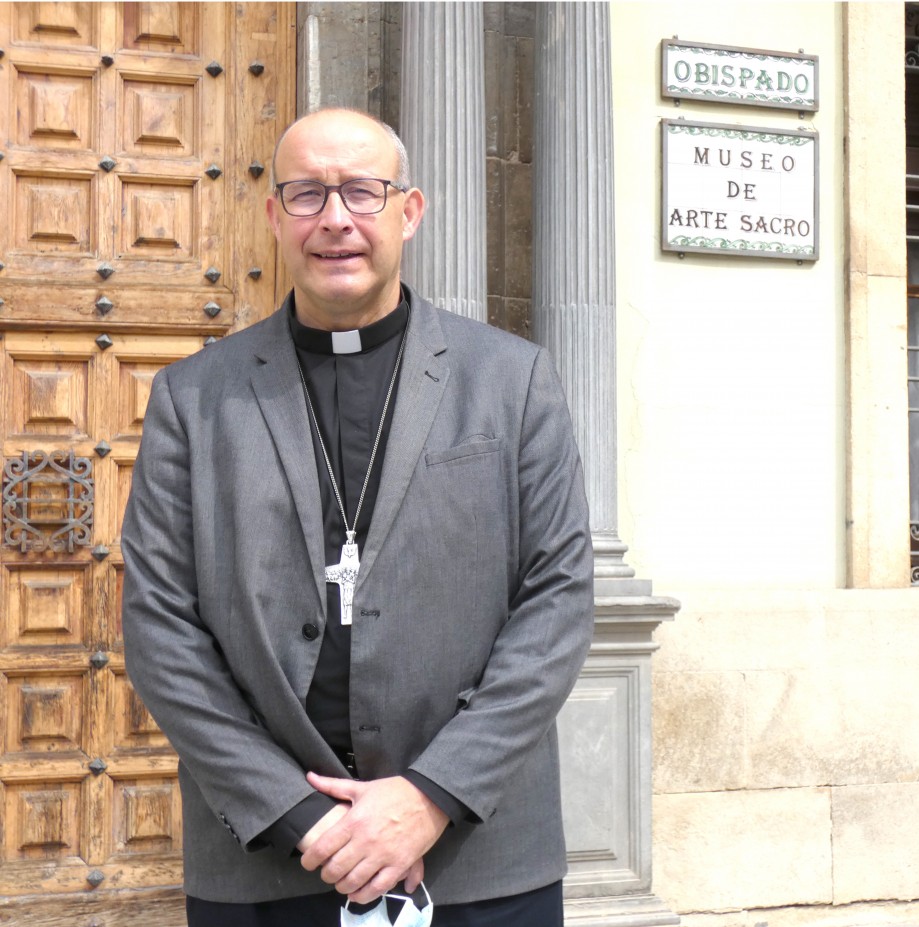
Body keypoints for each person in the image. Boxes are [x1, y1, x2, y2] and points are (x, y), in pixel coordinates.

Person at [121, 108, 594, 927]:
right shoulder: (194, 399)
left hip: (477, 853)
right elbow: (162, 629)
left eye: (362, 192)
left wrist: (429, 795)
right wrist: (306, 820)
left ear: (409, 212)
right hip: (269, 857)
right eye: (306, 194)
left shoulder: (511, 382)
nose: (335, 218)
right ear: (274, 217)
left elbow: (557, 602)